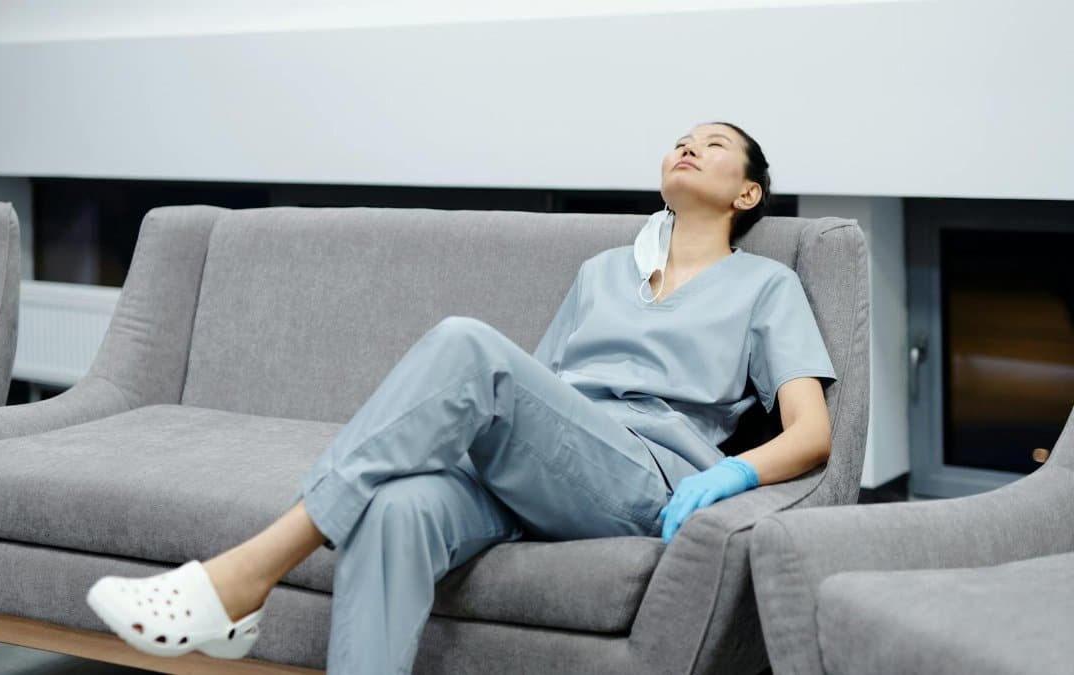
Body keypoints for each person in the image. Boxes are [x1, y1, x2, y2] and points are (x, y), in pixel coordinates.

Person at [85, 121, 837, 671]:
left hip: (642, 474)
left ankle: (244, 575)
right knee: (397, 507)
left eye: (711, 144)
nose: (687, 146)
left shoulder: (765, 285)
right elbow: (536, 390)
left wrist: (730, 473)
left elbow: (811, 431)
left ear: (747, 190)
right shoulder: (603, 273)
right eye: (680, 138)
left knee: (466, 343)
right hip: (550, 464)